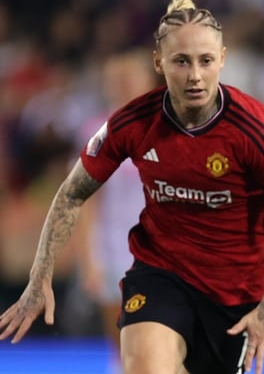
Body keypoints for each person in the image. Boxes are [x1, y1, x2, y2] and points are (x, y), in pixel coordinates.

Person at [0, 0, 264, 374]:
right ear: (158, 63)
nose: (195, 75)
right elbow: (71, 193)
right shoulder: (131, 123)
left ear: (223, 59)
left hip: (238, 292)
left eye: (205, 60)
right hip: (161, 274)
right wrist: (40, 278)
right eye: (181, 61)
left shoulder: (255, 130)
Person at [73, 49, 160, 372]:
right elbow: (84, 201)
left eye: (130, 78)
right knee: (120, 338)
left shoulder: (167, 128)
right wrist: (88, 259)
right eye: (116, 80)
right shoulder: (97, 132)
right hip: (113, 250)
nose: (123, 86)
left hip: (160, 252)